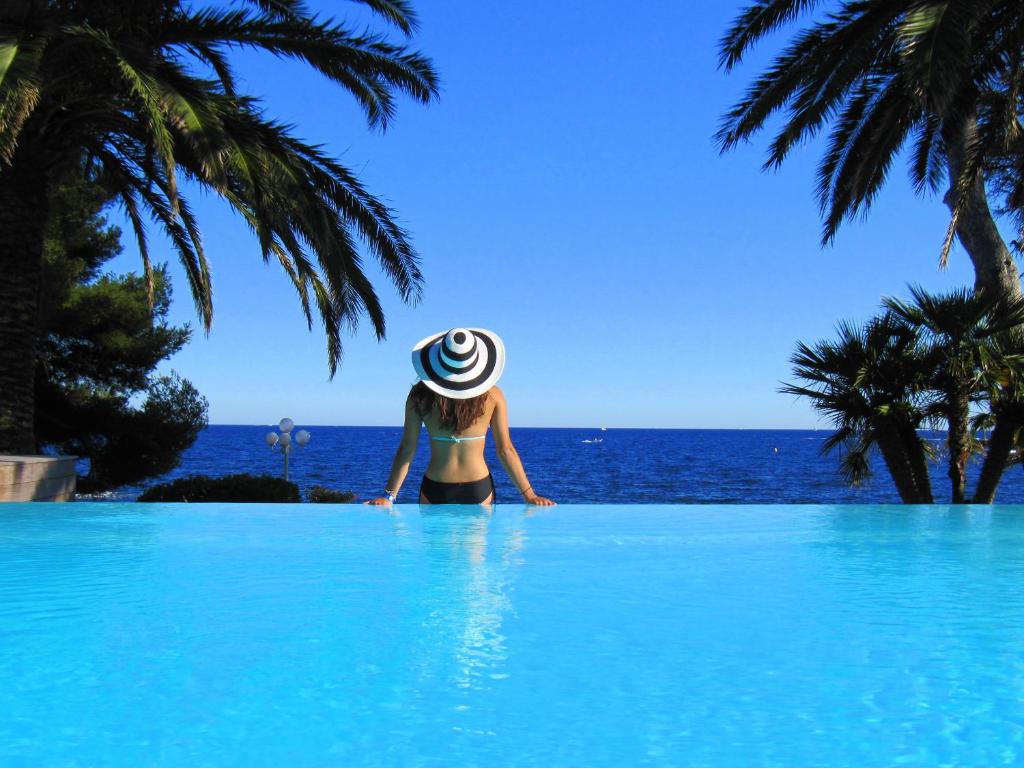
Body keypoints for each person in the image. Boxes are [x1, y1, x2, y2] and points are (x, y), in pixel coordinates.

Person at [367, 327, 555, 506]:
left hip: (435, 485)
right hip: (477, 486)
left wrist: (389, 496)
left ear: (438, 360)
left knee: (434, 541)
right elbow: (505, 450)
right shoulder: (493, 396)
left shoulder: (419, 396)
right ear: (475, 362)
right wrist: (529, 495)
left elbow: (407, 449)